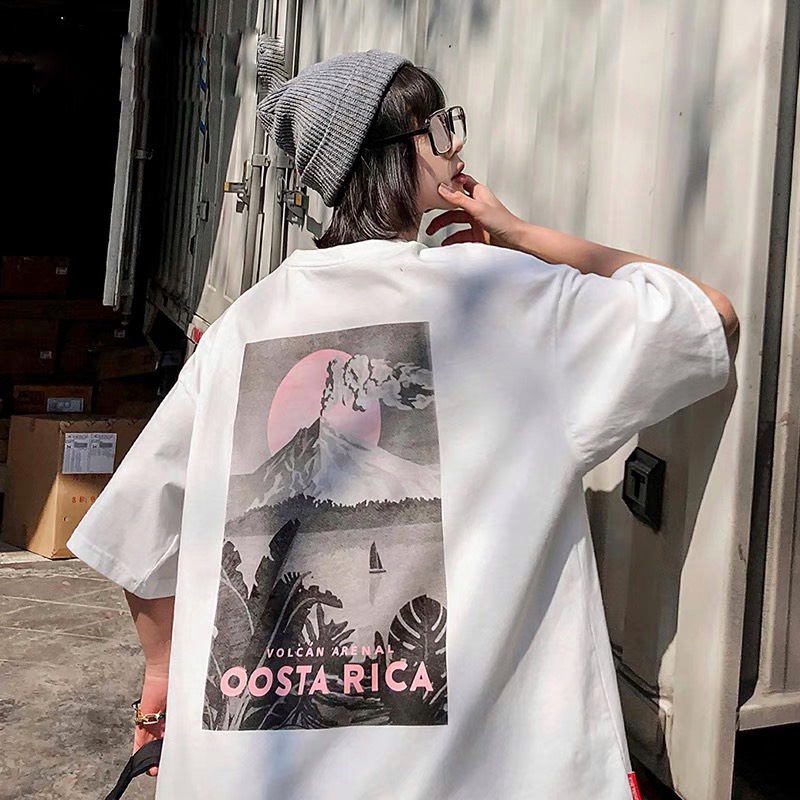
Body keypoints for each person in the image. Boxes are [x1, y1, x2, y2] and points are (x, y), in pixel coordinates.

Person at [66, 49, 737, 800]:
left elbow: (141, 532)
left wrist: (160, 681)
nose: (458, 150)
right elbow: (708, 315)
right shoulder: (507, 301)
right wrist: (520, 234)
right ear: (393, 153)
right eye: (441, 130)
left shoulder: (241, 327)